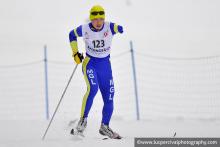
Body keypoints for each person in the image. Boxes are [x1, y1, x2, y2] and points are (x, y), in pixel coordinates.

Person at [69, 5, 123, 139]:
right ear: (91, 19)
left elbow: (117, 27)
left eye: (101, 19)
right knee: (93, 89)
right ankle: (82, 122)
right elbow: (71, 34)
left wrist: (119, 28)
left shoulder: (109, 27)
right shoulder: (85, 28)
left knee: (109, 96)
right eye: (95, 19)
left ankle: (105, 126)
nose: (98, 22)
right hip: (90, 63)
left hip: (105, 66)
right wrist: (75, 53)